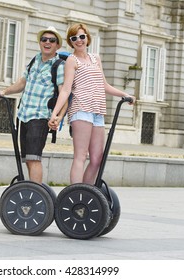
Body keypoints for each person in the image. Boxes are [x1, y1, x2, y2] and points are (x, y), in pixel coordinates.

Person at [48, 23, 136, 185]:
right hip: (80, 109)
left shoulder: (96, 59)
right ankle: (76, 193)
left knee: (97, 158)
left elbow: (104, 85)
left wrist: (124, 95)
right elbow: (66, 90)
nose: (79, 40)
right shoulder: (71, 61)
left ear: (87, 38)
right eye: (74, 38)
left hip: (97, 111)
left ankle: (87, 195)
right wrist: (55, 113)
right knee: (80, 156)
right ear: (71, 41)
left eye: (82, 36)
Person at [0, 26, 68, 184]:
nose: (47, 42)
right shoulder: (34, 60)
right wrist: (4, 92)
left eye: (52, 40)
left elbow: (64, 93)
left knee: (34, 158)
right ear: (40, 43)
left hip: (40, 116)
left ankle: (37, 194)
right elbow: (22, 83)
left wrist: (58, 117)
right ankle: (33, 190)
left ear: (57, 45)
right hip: (24, 115)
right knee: (28, 159)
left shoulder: (59, 66)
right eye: (44, 39)